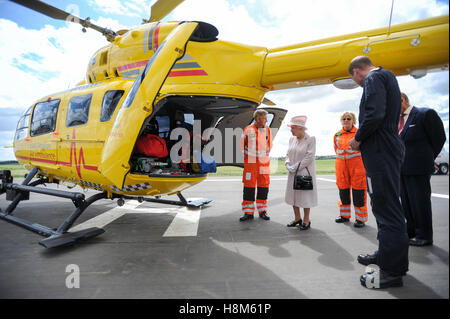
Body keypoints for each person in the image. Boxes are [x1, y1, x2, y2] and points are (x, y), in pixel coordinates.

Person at [348, 56, 409, 289]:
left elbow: (374, 114)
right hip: (385, 150)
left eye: (355, 80)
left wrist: (358, 139)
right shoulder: (387, 76)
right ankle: (386, 254)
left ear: (356, 72)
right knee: (384, 205)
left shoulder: (373, 79)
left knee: (387, 208)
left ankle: (392, 271)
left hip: (380, 151)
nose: (357, 83)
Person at [399, 92, 446, 246]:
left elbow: (439, 138)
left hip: (418, 168)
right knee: (406, 203)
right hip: (401, 169)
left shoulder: (424, 114)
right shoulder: (395, 121)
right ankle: (411, 231)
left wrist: (427, 157)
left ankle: (424, 235)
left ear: (402, 99)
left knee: (420, 202)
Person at [333, 112, 368, 228]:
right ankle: (344, 216)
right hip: (341, 167)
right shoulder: (337, 135)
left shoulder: (359, 133)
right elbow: (336, 149)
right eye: (344, 119)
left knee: (358, 192)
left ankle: (360, 219)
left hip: (357, 167)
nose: (346, 121)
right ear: (341, 121)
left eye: (349, 119)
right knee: (343, 192)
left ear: (353, 121)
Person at [284, 116, 318, 230]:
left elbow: (309, 157)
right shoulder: (291, 139)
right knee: (294, 195)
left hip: (304, 172)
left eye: (293, 127)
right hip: (292, 172)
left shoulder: (310, 139)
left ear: (300, 128)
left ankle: (306, 220)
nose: (291, 130)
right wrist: (287, 163)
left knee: (304, 197)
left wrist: (296, 167)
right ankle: (297, 218)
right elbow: (287, 154)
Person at [239, 109, 272, 221]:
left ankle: (263, 211)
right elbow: (241, 146)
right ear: (258, 119)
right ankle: (248, 212)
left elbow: (269, 145)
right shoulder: (248, 130)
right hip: (251, 164)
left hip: (263, 163)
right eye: (264, 118)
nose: (266, 120)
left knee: (264, 186)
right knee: (249, 187)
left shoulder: (268, 130)